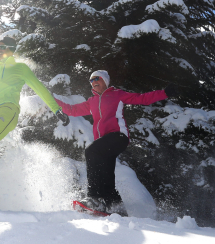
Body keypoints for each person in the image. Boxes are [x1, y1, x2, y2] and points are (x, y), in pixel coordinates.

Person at [0, 25, 69, 203]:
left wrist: (56, 109)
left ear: (11, 51)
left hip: (7, 111)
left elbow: (40, 89)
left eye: (2, 47)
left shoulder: (20, 69)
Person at [54, 70, 177, 214]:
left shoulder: (116, 95)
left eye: (97, 79)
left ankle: (94, 198)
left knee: (91, 151)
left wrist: (164, 93)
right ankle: (116, 206)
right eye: (91, 80)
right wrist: (51, 100)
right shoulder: (91, 102)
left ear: (105, 80)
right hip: (104, 143)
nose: (93, 82)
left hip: (118, 136)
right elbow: (72, 110)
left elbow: (142, 98)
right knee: (105, 173)